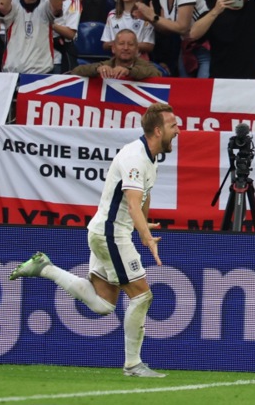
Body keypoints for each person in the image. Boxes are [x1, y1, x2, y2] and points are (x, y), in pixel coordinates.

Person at [10, 101, 178, 379]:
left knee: (103, 305)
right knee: (142, 296)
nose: (179, 131)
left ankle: (44, 267)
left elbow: (142, 199)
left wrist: (144, 224)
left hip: (106, 232)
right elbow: (134, 205)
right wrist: (146, 237)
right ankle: (134, 365)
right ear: (158, 130)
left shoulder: (151, 156)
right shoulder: (136, 157)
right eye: (174, 126)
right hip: (111, 233)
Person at [71, 29, 163, 80]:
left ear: (136, 50)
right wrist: (97, 69)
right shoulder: (108, 64)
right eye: (121, 44)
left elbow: (157, 74)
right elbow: (76, 71)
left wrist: (129, 71)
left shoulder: (144, 65)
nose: (126, 48)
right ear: (113, 48)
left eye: (130, 44)